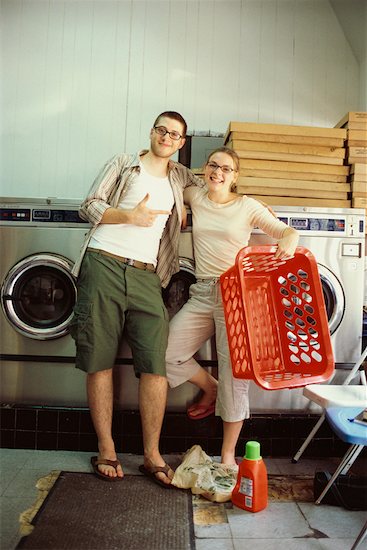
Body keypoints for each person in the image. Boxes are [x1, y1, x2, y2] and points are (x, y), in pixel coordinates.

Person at [70, 111, 204, 484]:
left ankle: (151, 454)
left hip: (149, 275)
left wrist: (259, 210)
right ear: (152, 132)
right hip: (104, 263)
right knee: (100, 358)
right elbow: (89, 205)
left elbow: (213, 185)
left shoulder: (179, 176)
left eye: (175, 134)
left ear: (181, 143)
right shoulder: (123, 163)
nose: (166, 136)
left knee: (154, 364)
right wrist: (129, 216)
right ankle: (107, 449)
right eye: (162, 129)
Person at [165, 146, 299, 465]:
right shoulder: (196, 196)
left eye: (226, 169)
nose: (218, 172)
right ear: (204, 169)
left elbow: (285, 231)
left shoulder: (247, 206)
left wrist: (289, 240)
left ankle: (227, 455)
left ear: (235, 176)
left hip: (236, 295)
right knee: (166, 352)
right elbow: (167, 179)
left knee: (234, 375)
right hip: (202, 293)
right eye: (213, 165)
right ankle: (210, 388)